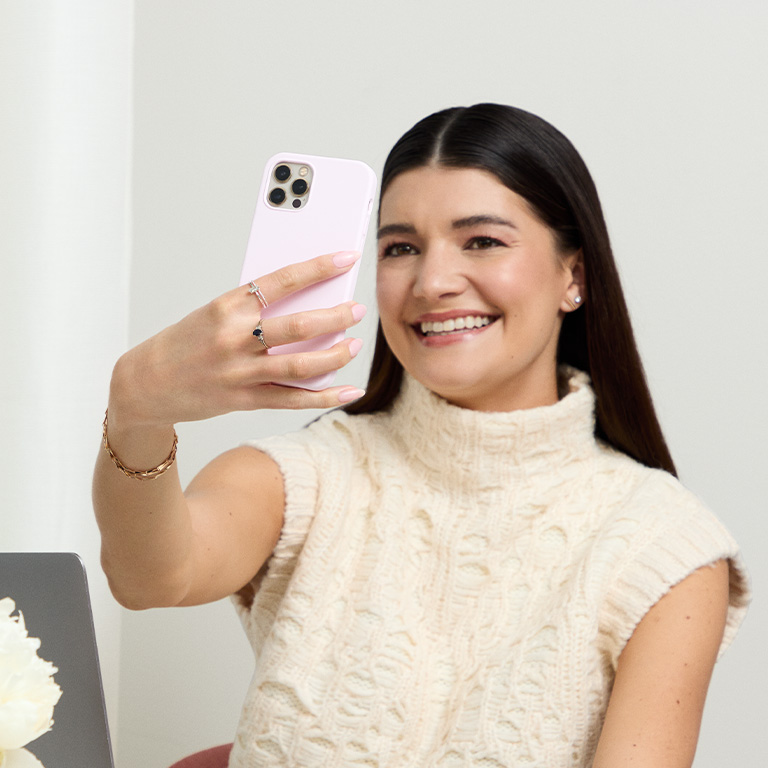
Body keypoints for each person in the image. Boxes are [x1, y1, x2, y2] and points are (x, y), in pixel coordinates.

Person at [93, 103, 750, 768]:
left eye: (482, 241)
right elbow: (150, 578)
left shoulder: (662, 545)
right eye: (401, 248)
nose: (432, 282)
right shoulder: (308, 477)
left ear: (572, 276)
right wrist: (138, 413)